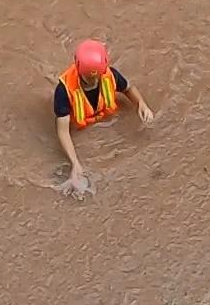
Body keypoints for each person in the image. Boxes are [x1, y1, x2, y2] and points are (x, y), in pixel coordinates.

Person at [53, 39, 156, 197]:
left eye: (97, 77)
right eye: (88, 78)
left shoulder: (111, 75)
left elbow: (128, 88)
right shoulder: (63, 91)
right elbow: (63, 131)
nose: (94, 82)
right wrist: (75, 163)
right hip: (81, 127)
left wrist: (141, 104)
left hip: (104, 119)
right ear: (79, 70)